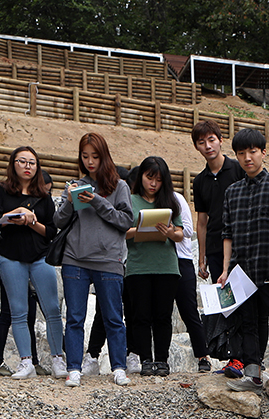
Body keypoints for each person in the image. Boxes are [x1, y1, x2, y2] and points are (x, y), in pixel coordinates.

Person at [218, 128, 269, 401]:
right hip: (242, 271)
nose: (247, 158)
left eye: (252, 152)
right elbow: (227, 233)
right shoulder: (232, 192)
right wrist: (225, 270)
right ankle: (253, 375)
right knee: (248, 323)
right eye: (241, 153)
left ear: (264, 153)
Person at [55, 132, 134, 388]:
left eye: (95, 156)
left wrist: (98, 201)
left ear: (105, 157)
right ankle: (74, 369)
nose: (90, 162)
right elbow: (58, 222)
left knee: (113, 317)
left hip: (109, 259)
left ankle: (119, 368)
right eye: (85, 156)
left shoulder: (119, 186)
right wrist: (69, 201)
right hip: (74, 258)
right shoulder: (75, 185)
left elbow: (125, 221)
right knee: (75, 317)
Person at [0, 155, 60, 378]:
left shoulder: (42, 195)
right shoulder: (0, 190)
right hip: (11, 256)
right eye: (22, 161)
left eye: (32, 162)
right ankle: (26, 362)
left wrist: (32, 221)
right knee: (19, 312)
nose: (27, 166)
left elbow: (50, 231)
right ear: (13, 164)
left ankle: (58, 359)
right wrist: (14, 215)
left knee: (53, 311)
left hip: (40, 256)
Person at [190, 119, 245, 374]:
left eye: (211, 140)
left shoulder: (237, 169)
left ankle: (250, 357)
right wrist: (201, 259)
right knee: (226, 303)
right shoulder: (199, 181)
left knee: (245, 301)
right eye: (202, 142)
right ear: (197, 147)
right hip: (213, 246)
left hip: (241, 244)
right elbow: (201, 221)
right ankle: (233, 357)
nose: (208, 146)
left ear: (220, 140)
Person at [124, 157, 184, 377]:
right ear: (141, 176)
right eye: (150, 178)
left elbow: (179, 234)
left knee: (162, 316)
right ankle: (145, 360)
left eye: (158, 180)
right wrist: (140, 230)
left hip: (166, 267)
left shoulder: (170, 201)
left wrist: (169, 233)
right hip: (138, 266)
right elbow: (121, 231)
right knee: (140, 316)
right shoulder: (129, 201)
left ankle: (162, 359)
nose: (153, 184)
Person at [171, 187, 211, 372]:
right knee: (159, 313)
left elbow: (188, 230)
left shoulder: (177, 199)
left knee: (189, 310)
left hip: (182, 260)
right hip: (157, 260)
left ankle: (203, 356)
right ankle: (156, 359)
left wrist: (170, 230)